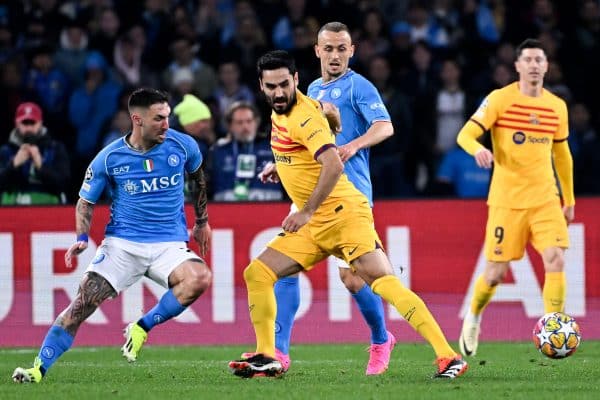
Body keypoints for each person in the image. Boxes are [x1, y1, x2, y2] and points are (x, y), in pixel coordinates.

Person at [228, 50, 468, 379]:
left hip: (341, 214)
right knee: (258, 273)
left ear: (296, 80)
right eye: (272, 87)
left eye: (284, 84)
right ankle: (268, 354)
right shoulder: (292, 109)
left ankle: (447, 356)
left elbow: (333, 163)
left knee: (382, 282)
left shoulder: (302, 116)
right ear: (261, 86)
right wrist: (284, 166)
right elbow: (327, 118)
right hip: (316, 224)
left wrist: (307, 211)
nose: (279, 93)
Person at [12, 88, 212, 383]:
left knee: (199, 278)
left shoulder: (183, 146)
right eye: (159, 119)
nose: (167, 125)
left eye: (168, 117)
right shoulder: (109, 157)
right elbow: (85, 202)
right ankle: (37, 369)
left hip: (168, 244)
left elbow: (198, 179)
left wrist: (202, 221)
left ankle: (141, 327)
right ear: (137, 119)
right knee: (81, 304)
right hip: (123, 245)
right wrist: (82, 237)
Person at [268, 21, 397, 376]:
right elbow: (303, 136)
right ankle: (279, 353)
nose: (335, 55)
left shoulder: (360, 87)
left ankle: (381, 339)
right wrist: (275, 164)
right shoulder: (309, 87)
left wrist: (354, 145)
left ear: (352, 51)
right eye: (329, 49)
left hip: (349, 193)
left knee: (354, 279)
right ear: (317, 51)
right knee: (283, 268)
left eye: (342, 48)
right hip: (310, 189)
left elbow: (385, 126)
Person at [456, 39, 575, 357]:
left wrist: (569, 198)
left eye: (540, 59)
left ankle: (552, 328)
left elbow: (562, 154)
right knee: (495, 274)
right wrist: (478, 149)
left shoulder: (556, 106)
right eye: (529, 60)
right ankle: (474, 314)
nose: (535, 65)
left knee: (556, 258)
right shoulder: (499, 99)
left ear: (546, 66)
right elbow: (464, 134)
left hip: (545, 199)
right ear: (518, 66)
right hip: (507, 201)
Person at [207, 101, 283, 201]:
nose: (245, 127)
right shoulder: (217, 151)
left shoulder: (274, 148)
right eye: (239, 122)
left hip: (270, 210)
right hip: (226, 212)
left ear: (256, 122)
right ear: (230, 126)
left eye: (249, 121)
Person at [0, 101, 70, 205]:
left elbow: (65, 184)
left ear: (40, 123)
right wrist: (13, 165)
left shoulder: (55, 149)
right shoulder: (5, 151)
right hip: (13, 211)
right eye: (24, 123)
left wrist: (41, 166)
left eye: (32, 123)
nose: (28, 128)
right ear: (16, 123)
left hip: (49, 210)